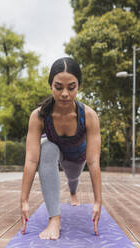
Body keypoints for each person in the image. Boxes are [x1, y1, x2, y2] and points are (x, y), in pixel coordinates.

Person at [20, 57, 102, 240]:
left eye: (71, 87)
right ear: (51, 85)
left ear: (78, 86)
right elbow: (32, 160)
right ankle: (54, 219)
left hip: (77, 158)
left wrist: (98, 201)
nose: (65, 93)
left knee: (73, 178)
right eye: (59, 87)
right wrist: (24, 199)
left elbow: (94, 161)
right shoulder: (39, 116)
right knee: (47, 148)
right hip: (56, 153)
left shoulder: (89, 116)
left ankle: (73, 191)